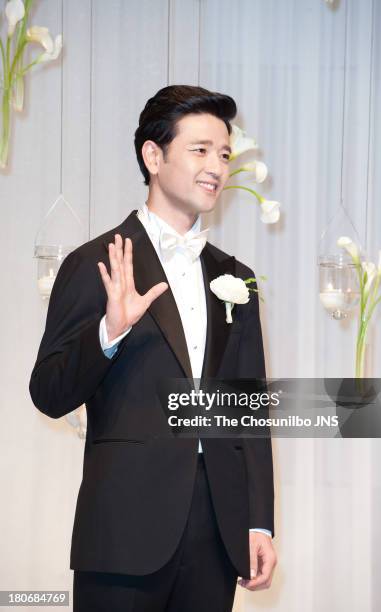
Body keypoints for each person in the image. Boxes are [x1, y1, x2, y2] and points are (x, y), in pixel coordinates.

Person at [29, 84, 277, 611]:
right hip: (122, 532)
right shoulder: (95, 261)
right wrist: (109, 332)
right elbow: (49, 392)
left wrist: (258, 520)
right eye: (201, 149)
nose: (217, 165)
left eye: (225, 153)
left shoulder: (237, 278)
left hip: (216, 530)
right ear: (153, 155)